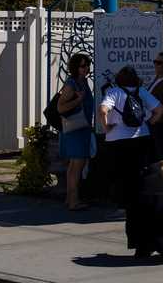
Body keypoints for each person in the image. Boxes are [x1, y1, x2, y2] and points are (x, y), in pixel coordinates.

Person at [99, 66, 163, 237]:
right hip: (141, 137)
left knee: (120, 174)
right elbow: (160, 110)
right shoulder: (141, 92)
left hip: (117, 139)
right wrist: (149, 123)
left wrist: (106, 127)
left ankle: (123, 205)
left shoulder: (113, 92)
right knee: (140, 172)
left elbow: (103, 110)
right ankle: (140, 202)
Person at [57, 52, 95, 210]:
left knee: (74, 166)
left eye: (87, 65)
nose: (86, 68)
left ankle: (70, 198)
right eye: (82, 66)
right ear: (75, 67)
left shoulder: (83, 82)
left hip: (82, 128)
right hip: (75, 129)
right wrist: (78, 100)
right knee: (76, 165)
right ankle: (74, 201)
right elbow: (60, 107)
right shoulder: (72, 84)